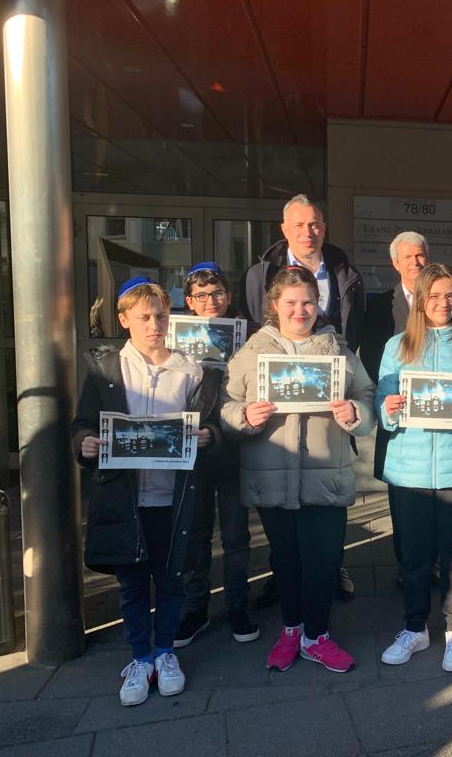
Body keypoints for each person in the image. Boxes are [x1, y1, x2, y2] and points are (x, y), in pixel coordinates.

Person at [222, 266, 375, 674]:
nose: (300, 310)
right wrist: (243, 415)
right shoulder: (253, 351)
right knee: (286, 560)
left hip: (325, 475)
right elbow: (225, 405)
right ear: (275, 306)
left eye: (308, 301)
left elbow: (366, 394)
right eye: (290, 302)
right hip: (270, 476)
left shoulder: (336, 350)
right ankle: (292, 629)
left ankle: (317, 636)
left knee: (324, 560)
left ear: (318, 304)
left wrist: (355, 411)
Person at [71, 277, 214, 706]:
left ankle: (165, 651)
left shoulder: (191, 371)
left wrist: (208, 436)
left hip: (173, 498)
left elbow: (210, 428)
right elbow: (81, 423)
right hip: (124, 498)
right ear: (124, 319)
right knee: (132, 584)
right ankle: (139, 657)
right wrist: (84, 443)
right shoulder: (104, 368)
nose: (155, 325)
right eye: (145, 317)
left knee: (171, 580)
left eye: (161, 316)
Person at [376, 263, 452, 672]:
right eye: (434, 296)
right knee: (413, 557)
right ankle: (414, 628)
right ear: (420, 301)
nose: (443, 304)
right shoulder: (397, 347)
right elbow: (382, 403)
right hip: (408, 471)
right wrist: (388, 410)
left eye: (450, 296)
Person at [241, 194, 364, 601]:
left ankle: (330, 574)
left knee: (324, 510)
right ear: (284, 230)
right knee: (284, 527)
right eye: (298, 225)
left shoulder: (346, 273)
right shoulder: (261, 273)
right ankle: (287, 583)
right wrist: (244, 411)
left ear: (324, 228)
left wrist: (351, 404)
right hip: (277, 423)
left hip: (326, 408)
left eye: (314, 224)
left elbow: (354, 342)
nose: (307, 232)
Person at [173, 262, 259, 649]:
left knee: (237, 534)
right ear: (189, 301)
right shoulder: (173, 340)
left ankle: (238, 605)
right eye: (202, 296)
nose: (211, 302)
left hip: (233, 446)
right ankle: (196, 608)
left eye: (218, 293)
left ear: (229, 295)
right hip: (191, 448)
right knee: (194, 533)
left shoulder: (249, 337)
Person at [357, 231, 440, 585]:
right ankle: (408, 565)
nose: (416, 263)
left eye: (420, 256)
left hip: (437, 413)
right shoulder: (378, 307)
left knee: (437, 494)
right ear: (395, 264)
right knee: (402, 495)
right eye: (408, 258)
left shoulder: (443, 300)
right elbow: (375, 360)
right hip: (399, 412)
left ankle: (434, 563)